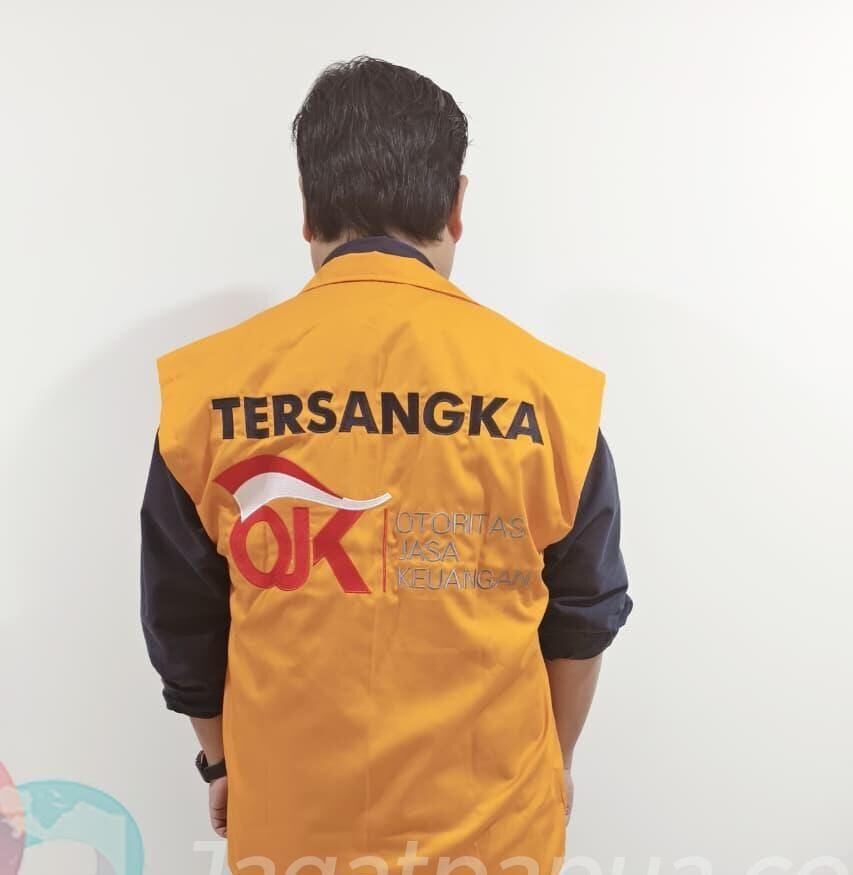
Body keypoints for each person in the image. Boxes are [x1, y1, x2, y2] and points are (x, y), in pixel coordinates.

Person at [140, 55, 632, 875]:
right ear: (456, 207)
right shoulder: (552, 395)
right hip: (494, 836)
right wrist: (556, 762)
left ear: (306, 211)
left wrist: (221, 762)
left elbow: (182, 621)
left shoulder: (207, 391)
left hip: (291, 833)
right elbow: (584, 613)